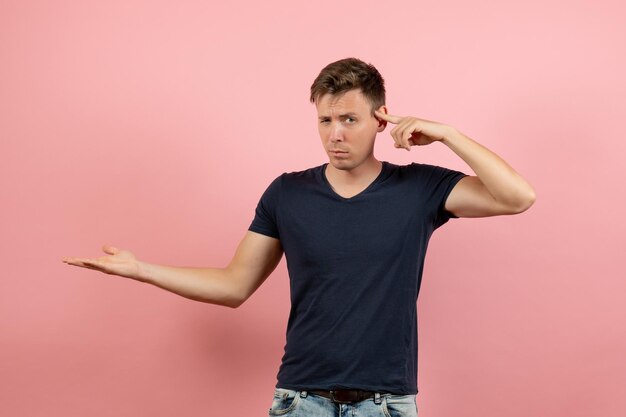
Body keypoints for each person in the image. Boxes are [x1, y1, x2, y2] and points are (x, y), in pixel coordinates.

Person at [62, 57, 536, 417]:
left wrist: (449, 134)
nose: (336, 134)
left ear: (381, 118)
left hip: (386, 403)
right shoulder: (287, 193)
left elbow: (517, 197)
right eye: (325, 120)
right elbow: (233, 287)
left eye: (349, 119)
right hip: (300, 400)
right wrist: (141, 269)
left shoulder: (420, 188)